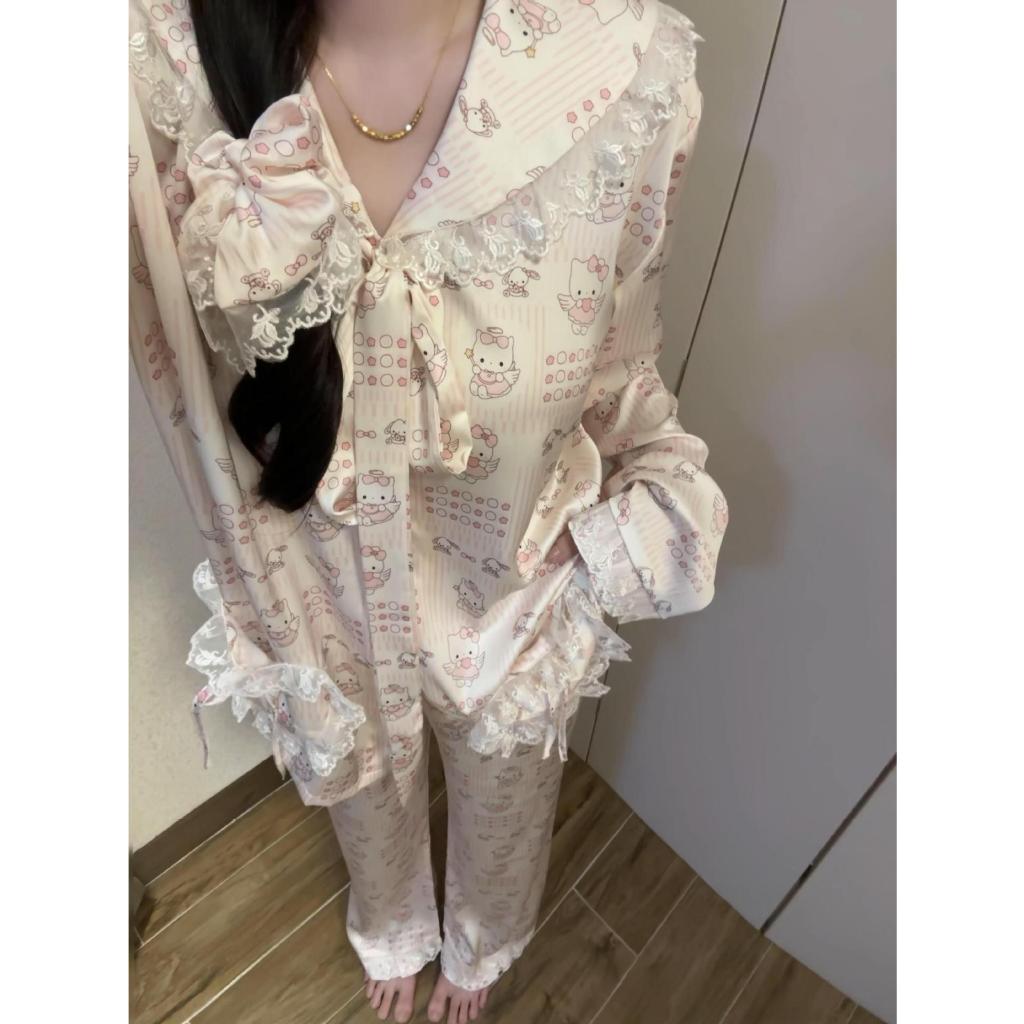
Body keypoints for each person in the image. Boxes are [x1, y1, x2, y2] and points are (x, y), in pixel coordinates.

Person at [128, 0, 728, 1020]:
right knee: (361, 791)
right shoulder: (156, 60)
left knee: (505, 793)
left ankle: (481, 946)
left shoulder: (629, 72)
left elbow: (621, 362)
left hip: (506, 593)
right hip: (313, 593)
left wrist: (610, 533)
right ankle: (393, 924)